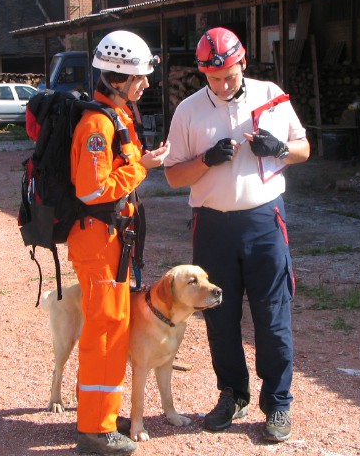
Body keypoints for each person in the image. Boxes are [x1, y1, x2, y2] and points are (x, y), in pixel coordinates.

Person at [163, 27, 310, 443]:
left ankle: (278, 403)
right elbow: (174, 175)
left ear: (242, 62)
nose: (224, 85)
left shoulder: (271, 95)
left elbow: (305, 148)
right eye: (214, 78)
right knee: (220, 318)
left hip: (265, 223)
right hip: (212, 227)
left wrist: (278, 149)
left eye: (229, 75)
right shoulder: (189, 111)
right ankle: (232, 394)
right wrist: (206, 161)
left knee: (272, 315)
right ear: (202, 73)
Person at [67, 30, 170, 455]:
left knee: (115, 327)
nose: (145, 84)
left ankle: (104, 416)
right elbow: (92, 192)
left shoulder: (117, 114)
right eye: (138, 78)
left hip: (114, 241)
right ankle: (94, 429)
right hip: (98, 242)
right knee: (105, 332)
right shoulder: (96, 124)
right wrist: (142, 169)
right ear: (115, 78)